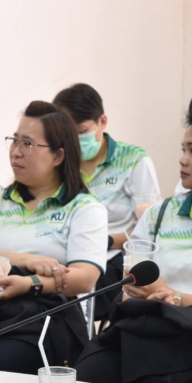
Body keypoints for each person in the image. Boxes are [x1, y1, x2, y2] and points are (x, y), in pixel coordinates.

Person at [0, 101, 108, 374]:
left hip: (44, 314)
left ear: (58, 156)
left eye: (27, 144)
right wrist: (29, 260)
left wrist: (29, 283)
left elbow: (84, 277)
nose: (16, 152)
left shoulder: (84, 208)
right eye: (14, 141)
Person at [76, 100, 192, 383]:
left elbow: (169, 294)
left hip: (185, 341)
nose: (183, 160)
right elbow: (130, 285)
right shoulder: (160, 214)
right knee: (81, 382)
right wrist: (137, 288)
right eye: (183, 149)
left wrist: (175, 297)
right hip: (143, 329)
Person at [53, 83, 160, 317]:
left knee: (78, 294)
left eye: (81, 132)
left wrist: (107, 240)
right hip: (64, 252)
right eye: (68, 134)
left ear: (102, 121)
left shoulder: (132, 160)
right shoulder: (60, 162)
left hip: (114, 256)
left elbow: (151, 224)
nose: (75, 141)